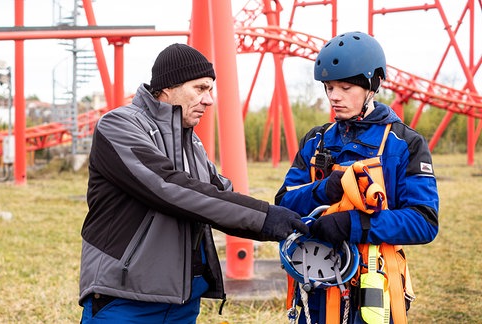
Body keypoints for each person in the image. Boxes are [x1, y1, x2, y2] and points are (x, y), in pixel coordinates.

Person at [79, 43, 309, 323]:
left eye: (210, 89)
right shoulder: (119, 126)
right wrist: (266, 217)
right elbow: (169, 187)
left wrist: (306, 210)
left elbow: (220, 198)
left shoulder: (191, 141)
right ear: (168, 87)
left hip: (183, 301)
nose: (209, 99)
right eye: (200, 89)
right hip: (126, 298)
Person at [275, 31, 439, 323]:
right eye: (329, 87)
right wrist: (324, 190)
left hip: (373, 288)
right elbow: (284, 201)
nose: (334, 96)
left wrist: (354, 225)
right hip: (316, 285)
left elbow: (424, 222)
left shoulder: (404, 144)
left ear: (372, 86)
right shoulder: (316, 141)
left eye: (345, 87)